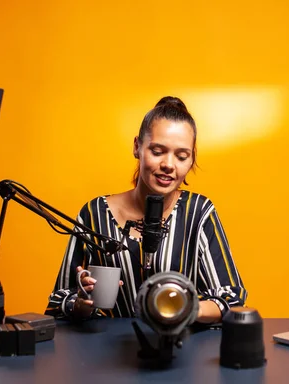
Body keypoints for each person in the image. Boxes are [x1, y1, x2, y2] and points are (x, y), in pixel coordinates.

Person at [46, 96, 246, 324]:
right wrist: (81, 303)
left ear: (191, 160)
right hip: (105, 353)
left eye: (181, 156)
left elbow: (231, 298)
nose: (169, 165)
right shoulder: (94, 214)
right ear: (137, 147)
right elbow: (58, 302)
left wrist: (182, 308)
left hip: (179, 349)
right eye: (158, 151)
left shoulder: (199, 212)